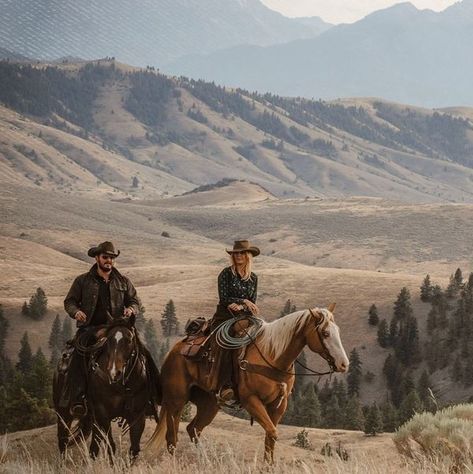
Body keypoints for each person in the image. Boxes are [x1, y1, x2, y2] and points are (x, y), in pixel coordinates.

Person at [63, 241, 143, 416]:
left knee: (142, 353)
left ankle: (149, 396)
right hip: (90, 329)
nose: (109, 261)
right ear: (97, 258)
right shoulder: (82, 281)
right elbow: (69, 302)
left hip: (118, 328)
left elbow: (135, 301)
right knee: (78, 355)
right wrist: (76, 312)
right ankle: (78, 398)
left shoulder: (123, 281)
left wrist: (131, 309)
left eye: (112, 258)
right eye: (105, 257)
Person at [210, 239, 260, 402]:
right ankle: (226, 384)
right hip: (225, 317)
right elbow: (224, 298)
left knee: (261, 337)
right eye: (235, 253)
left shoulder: (253, 278)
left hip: (245, 317)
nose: (238, 256)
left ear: (248, 256)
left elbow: (253, 302)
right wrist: (243, 302)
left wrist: (243, 305)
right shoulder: (226, 273)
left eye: (241, 253)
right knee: (230, 341)